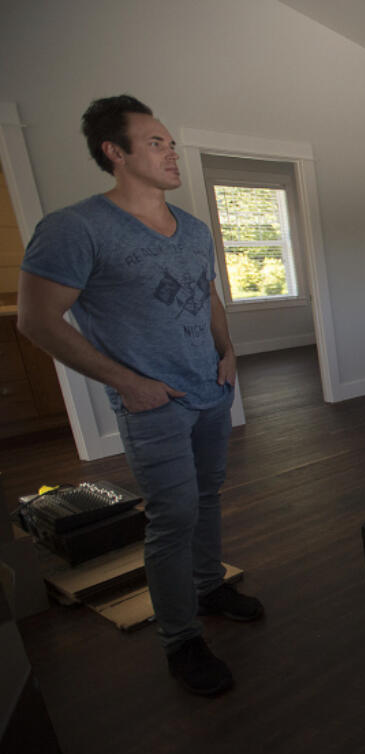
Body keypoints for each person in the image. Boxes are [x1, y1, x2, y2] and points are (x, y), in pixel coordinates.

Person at [17, 95, 262, 696]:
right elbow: (38, 321)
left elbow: (207, 297)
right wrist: (127, 382)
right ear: (115, 152)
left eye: (170, 142)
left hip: (210, 390)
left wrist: (227, 353)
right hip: (152, 405)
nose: (171, 151)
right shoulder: (75, 229)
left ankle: (209, 586)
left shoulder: (195, 230)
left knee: (206, 497)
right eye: (156, 142)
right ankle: (180, 640)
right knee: (173, 517)